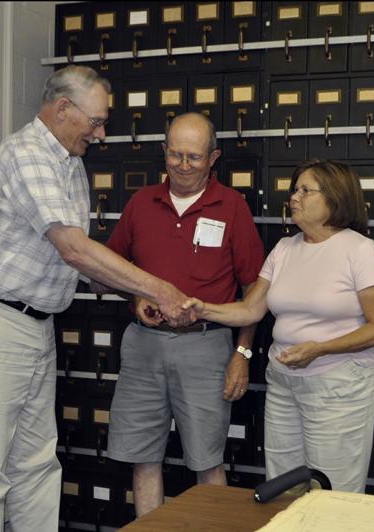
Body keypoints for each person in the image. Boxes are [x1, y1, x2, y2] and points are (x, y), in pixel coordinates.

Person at [0, 65, 194, 532]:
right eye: (96, 122)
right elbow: (75, 247)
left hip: (36, 326)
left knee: (37, 466)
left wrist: (129, 296)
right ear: (62, 109)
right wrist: (159, 288)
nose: (101, 134)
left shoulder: (70, 165)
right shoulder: (29, 155)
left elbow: (75, 260)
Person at [184, 159, 374, 493]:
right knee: (283, 488)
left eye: (305, 191)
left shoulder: (359, 250)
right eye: (294, 190)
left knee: (332, 492)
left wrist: (321, 348)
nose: (293, 197)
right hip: (284, 382)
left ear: (335, 198)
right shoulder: (285, 248)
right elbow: (251, 309)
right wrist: (202, 309)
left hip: (338, 385)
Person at [102, 113, 265, 517]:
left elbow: (256, 292)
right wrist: (134, 298)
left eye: (193, 156)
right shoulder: (142, 203)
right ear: (164, 151)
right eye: (175, 155)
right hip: (143, 346)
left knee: (207, 461)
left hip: (206, 347)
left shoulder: (232, 207)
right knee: (143, 458)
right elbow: (105, 272)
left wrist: (241, 356)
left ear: (214, 157)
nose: (183, 165)